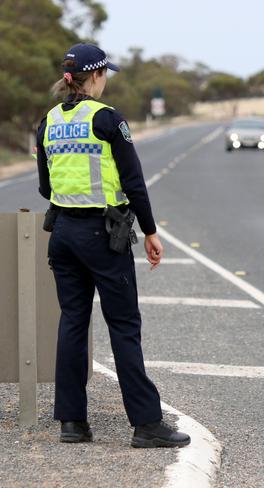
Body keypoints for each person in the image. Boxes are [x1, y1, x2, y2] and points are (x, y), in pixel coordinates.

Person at [36, 43, 190, 448]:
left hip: (63, 235)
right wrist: (152, 232)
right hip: (103, 235)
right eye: (106, 75)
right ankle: (146, 425)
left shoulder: (48, 121)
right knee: (123, 327)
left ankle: (72, 422)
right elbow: (134, 181)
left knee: (72, 323)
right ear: (97, 76)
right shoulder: (108, 120)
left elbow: (44, 186)